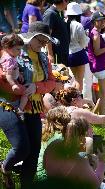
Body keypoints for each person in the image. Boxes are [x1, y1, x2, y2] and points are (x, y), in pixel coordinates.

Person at [0, 21, 56, 188]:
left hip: (34, 107)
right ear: (30, 37)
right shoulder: (13, 51)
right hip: (9, 105)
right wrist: (22, 90)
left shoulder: (44, 57)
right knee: (23, 148)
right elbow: (3, 79)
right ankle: (5, 167)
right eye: (40, 41)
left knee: (34, 151)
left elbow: (52, 82)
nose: (43, 45)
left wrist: (36, 87)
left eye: (46, 42)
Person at [43, 117, 105, 189]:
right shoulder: (80, 163)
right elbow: (96, 185)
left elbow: (44, 165)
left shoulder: (53, 144)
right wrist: (101, 161)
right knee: (104, 186)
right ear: (82, 137)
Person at [0, 33, 28, 118]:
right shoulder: (8, 59)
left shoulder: (10, 56)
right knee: (26, 93)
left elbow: (14, 68)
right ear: (8, 48)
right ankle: (20, 109)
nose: (20, 52)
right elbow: (8, 75)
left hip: (14, 79)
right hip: (10, 82)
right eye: (18, 49)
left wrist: (18, 74)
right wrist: (14, 84)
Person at [66, 2, 89, 92]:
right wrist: (87, 37)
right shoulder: (78, 25)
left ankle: (72, 100)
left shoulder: (65, 23)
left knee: (75, 79)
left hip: (68, 54)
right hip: (78, 53)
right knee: (79, 80)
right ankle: (77, 101)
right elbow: (83, 43)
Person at [43, 0, 69, 65]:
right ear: (63, 1)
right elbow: (47, 35)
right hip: (56, 53)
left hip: (63, 52)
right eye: (68, 1)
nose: (68, 3)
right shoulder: (50, 14)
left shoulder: (59, 12)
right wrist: (50, 54)